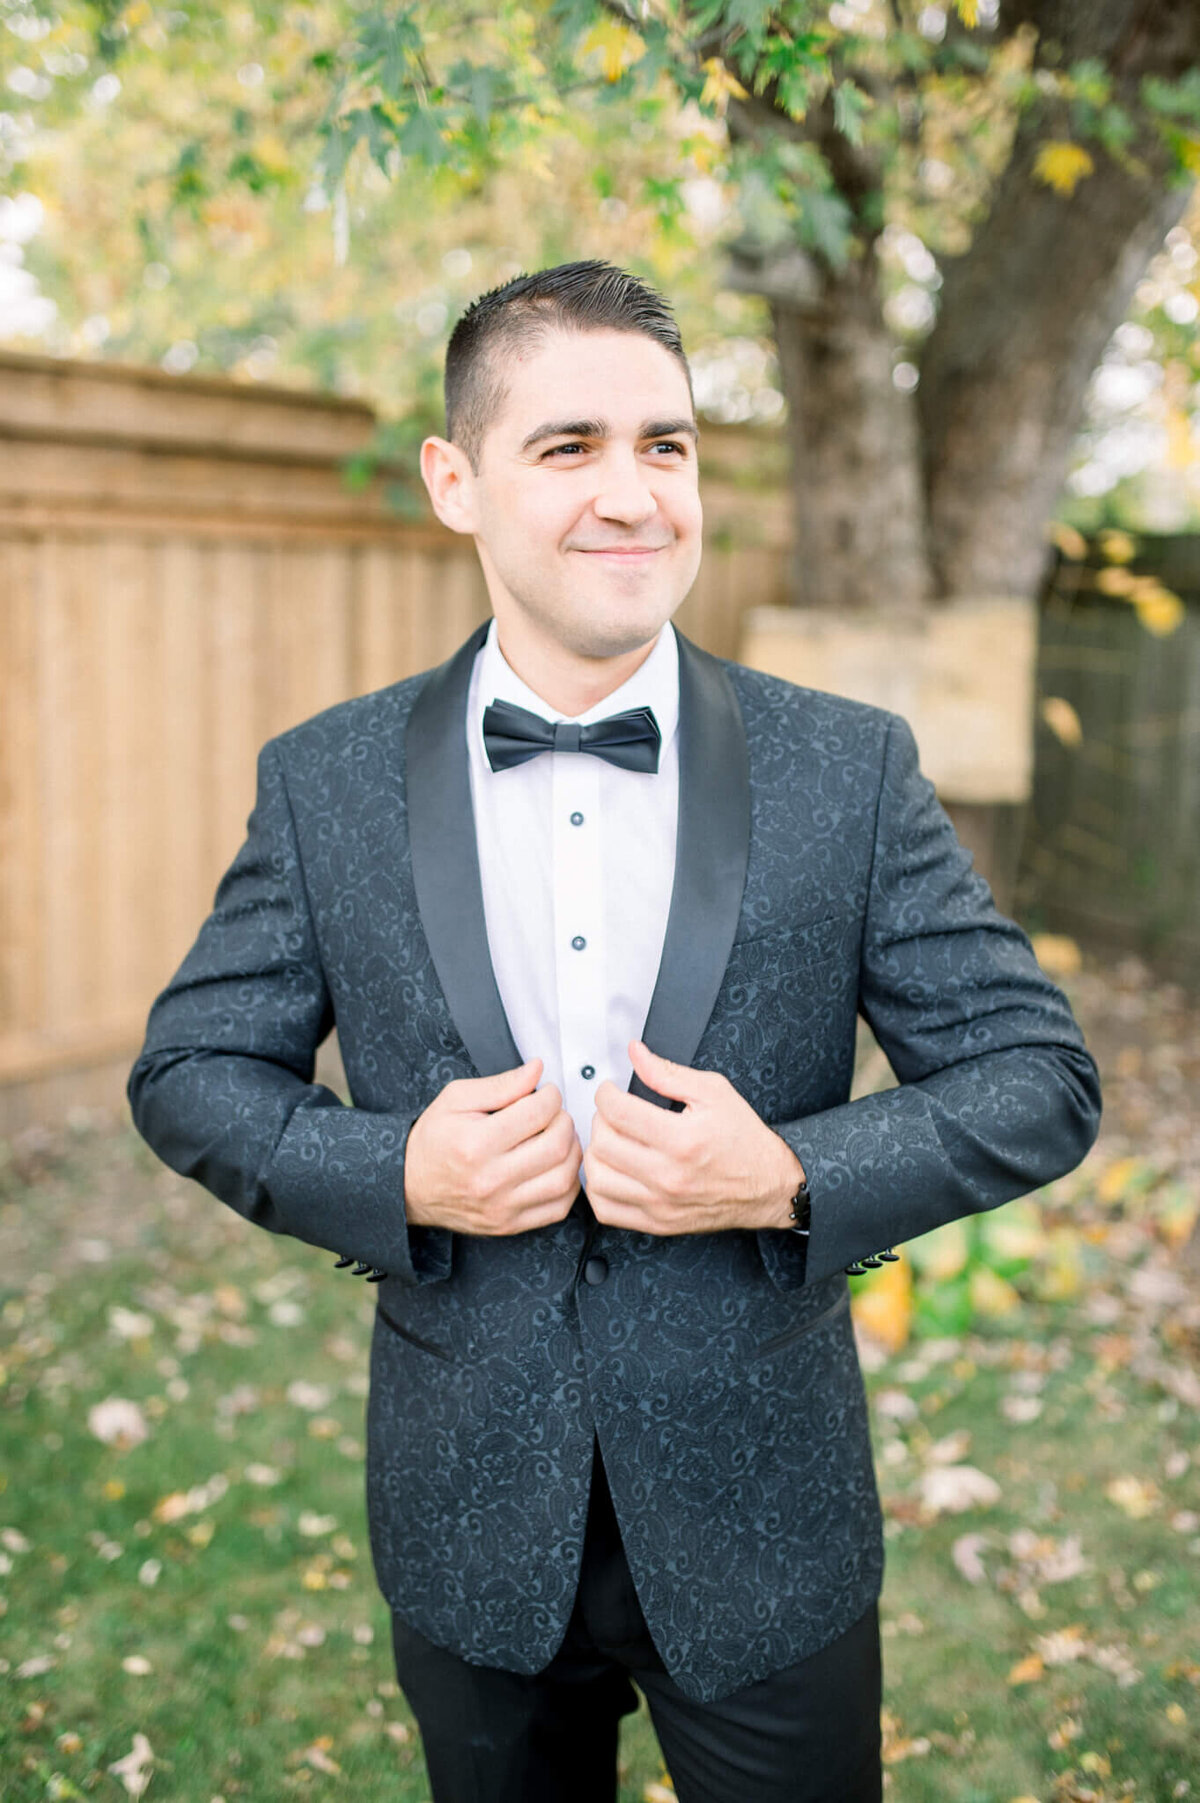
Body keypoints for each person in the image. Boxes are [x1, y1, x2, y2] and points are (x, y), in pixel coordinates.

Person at [128, 260, 1102, 1803]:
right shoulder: (327, 782)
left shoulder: (845, 770)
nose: (636, 494)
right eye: (569, 446)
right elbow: (189, 1075)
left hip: (763, 1512)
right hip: (469, 1511)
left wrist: (785, 1172)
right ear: (457, 481)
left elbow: (1039, 1077)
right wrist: (395, 1175)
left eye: (668, 445)